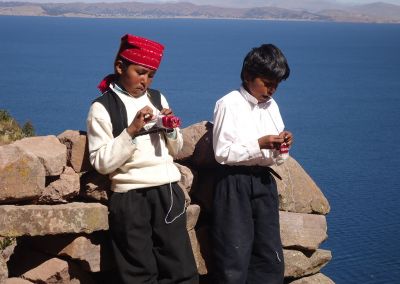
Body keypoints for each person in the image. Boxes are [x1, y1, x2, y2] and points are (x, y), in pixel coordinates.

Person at [86, 34, 198, 284]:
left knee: (181, 268)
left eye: (151, 75)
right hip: (130, 196)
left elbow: (176, 149)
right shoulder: (102, 108)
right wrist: (132, 131)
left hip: (167, 191)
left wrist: (170, 128)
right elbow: (101, 162)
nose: (145, 81)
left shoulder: (158, 99)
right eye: (140, 72)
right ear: (120, 67)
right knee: (138, 272)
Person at [211, 44, 293, 284]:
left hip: (264, 182)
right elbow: (222, 153)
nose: (271, 90)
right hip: (234, 183)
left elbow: (278, 159)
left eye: (276, 84)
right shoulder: (228, 104)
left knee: (269, 254)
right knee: (233, 255)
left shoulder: (272, 107)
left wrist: (282, 146)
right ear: (248, 76)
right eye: (267, 82)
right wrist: (259, 143)